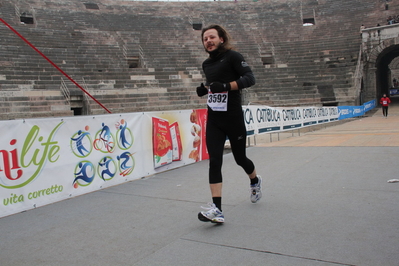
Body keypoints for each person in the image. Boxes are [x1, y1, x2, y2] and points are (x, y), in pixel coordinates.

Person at [195, 24, 262, 224]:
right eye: (205, 38)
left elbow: (250, 79)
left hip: (233, 118)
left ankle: (255, 180)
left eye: (212, 37)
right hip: (214, 119)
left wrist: (226, 86)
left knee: (240, 158)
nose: (208, 41)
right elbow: (214, 85)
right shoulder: (206, 64)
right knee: (215, 160)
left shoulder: (233, 57)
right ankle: (217, 209)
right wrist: (205, 89)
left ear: (221, 39)